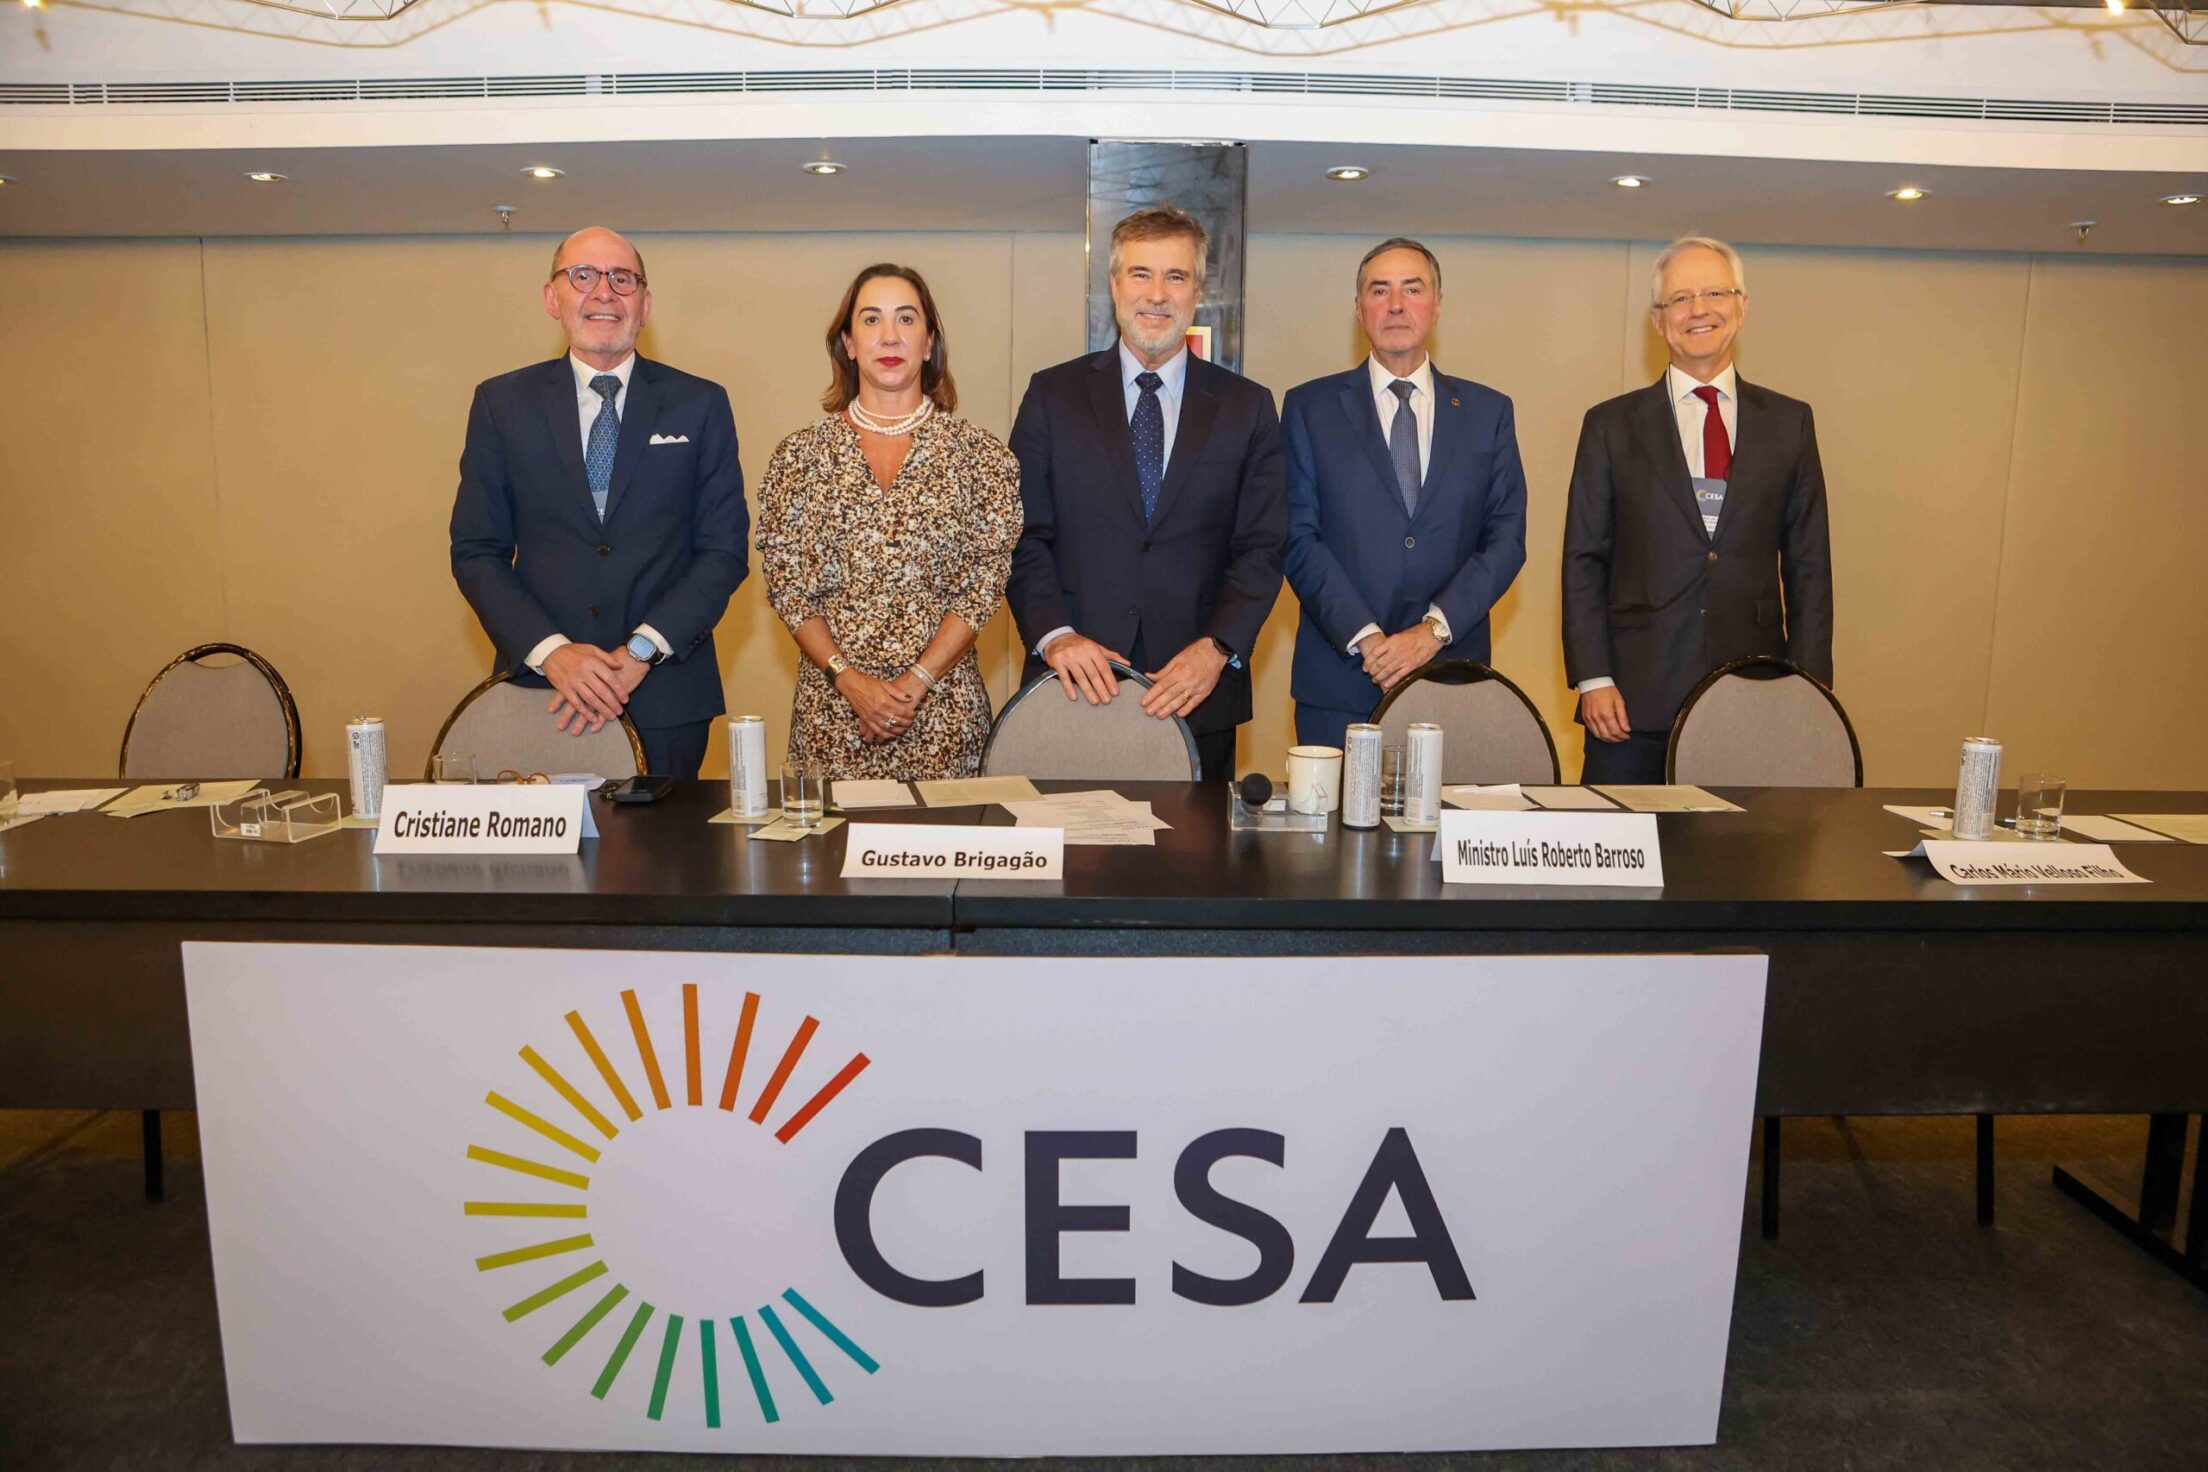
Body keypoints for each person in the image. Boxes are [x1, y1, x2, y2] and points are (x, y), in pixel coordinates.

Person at [449, 226, 748, 779]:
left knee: (668, 842)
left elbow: (723, 553)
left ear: (645, 304)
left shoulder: (701, 403)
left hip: (666, 698)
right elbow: (476, 551)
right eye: (583, 276)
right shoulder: (501, 403)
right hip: (541, 694)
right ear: (552, 298)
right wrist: (554, 654)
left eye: (622, 279)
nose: (604, 292)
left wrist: (640, 653)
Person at [1005, 204, 1286, 782]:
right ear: (1114, 285)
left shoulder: (1248, 406)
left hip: (1197, 694)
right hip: (1073, 689)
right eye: (1141, 274)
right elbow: (1021, 535)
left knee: (1197, 847)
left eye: (1175, 277)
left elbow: (1263, 547)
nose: (1157, 295)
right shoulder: (1052, 396)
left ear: (1197, 291)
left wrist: (1217, 648)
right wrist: (1056, 638)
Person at [1561, 235, 1834, 785]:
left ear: (1742, 306)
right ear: (1658, 320)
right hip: (1630, 702)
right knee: (1619, 839)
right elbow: (1584, 559)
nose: (1699, 309)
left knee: (1746, 844)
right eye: (1680, 298)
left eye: (1714, 293)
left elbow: (1809, 566)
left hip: (1755, 695)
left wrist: (1807, 689)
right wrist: (1593, 678)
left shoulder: (1790, 424)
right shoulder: (1610, 425)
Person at [754, 264, 1021, 780]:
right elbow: (787, 588)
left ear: (929, 343)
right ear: (849, 344)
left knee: (946, 836)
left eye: (906, 318)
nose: (890, 336)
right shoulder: (798, 457)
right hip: (833, 717)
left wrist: (915, 682)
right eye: (872, 319)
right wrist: (850, 682)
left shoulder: (980, 456)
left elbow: (983, 586)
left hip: (943, 715)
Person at [1282, 238, 1528, 748]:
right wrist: (1367, 638)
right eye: (1380, 290)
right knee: (1331, 806)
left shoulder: (1488, 413)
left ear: (1437, 305)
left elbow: (1505, 540)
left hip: (1450, 675)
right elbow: (1297, 537)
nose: (1396, 304)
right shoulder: (1309, 408)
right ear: (1359, 310)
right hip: (1340, 681)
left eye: (1412, 289)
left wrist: (1432, 632)